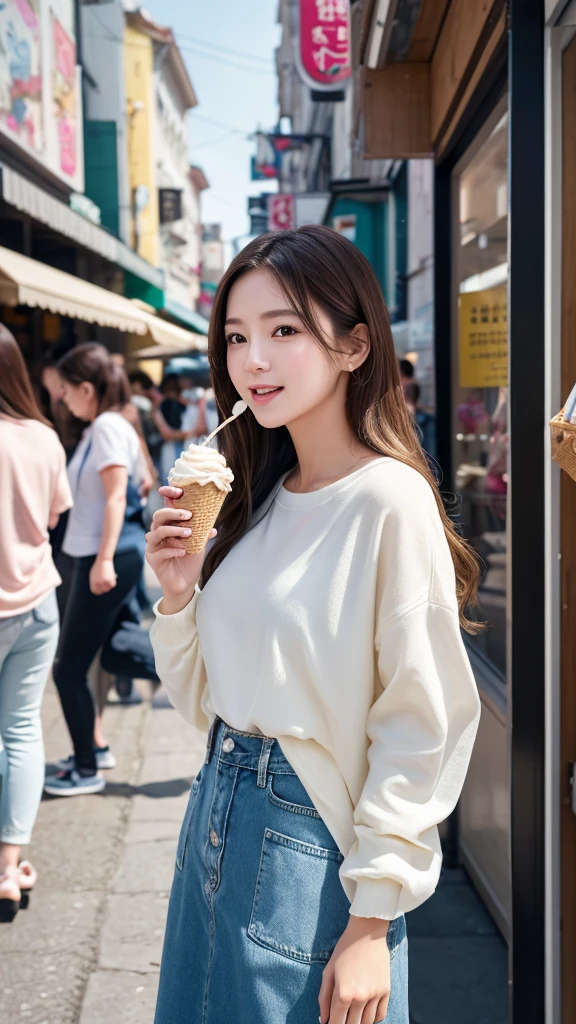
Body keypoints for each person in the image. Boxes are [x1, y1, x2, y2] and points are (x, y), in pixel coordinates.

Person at [146, 225, 481, 1024]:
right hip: (216, 814)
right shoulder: (259, 500)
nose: (252, 359)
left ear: (355, 345)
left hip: (309, 842)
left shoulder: (389, 501)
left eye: (283, 330)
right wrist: (180, 592)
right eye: (236, 336)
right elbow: (203, 704)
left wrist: (373, 918)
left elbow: (420, 721)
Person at [44, 343, 147, 797]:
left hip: (104, 557)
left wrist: (102, 559)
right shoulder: (105, 426)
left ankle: (86, 767)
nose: (62, 399)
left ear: (87, 388)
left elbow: (117, 495)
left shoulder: (106, 426)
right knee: (115, 650)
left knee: (68, 670)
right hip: (104, 554)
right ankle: (94, 751)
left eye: (66, 391)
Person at [0, 325, 72, 919]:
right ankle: (10, 865)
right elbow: (54, 515)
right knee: (22, 729)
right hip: (37, 600)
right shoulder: (45, 437)